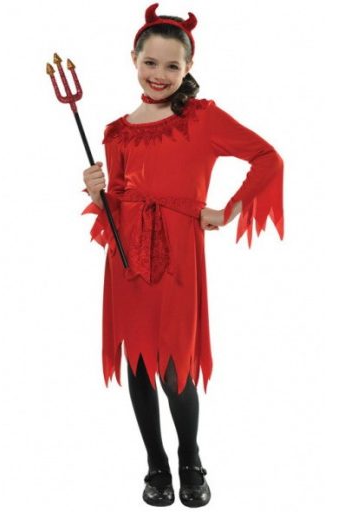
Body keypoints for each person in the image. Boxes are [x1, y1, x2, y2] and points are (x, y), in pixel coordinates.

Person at [81, 3, 284, 507]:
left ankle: (190, 459)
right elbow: (116, 206)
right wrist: (97, 194)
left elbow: (267, 158)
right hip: (128, 262)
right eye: (150, 62)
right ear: (133, 59)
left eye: (172, 65)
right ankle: (156, 464)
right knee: (139, 364)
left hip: (178, 258)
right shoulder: (116, 131)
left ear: (188, 66)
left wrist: (229, 210)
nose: (159, 74)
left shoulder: (202, 119)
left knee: (176, 365)